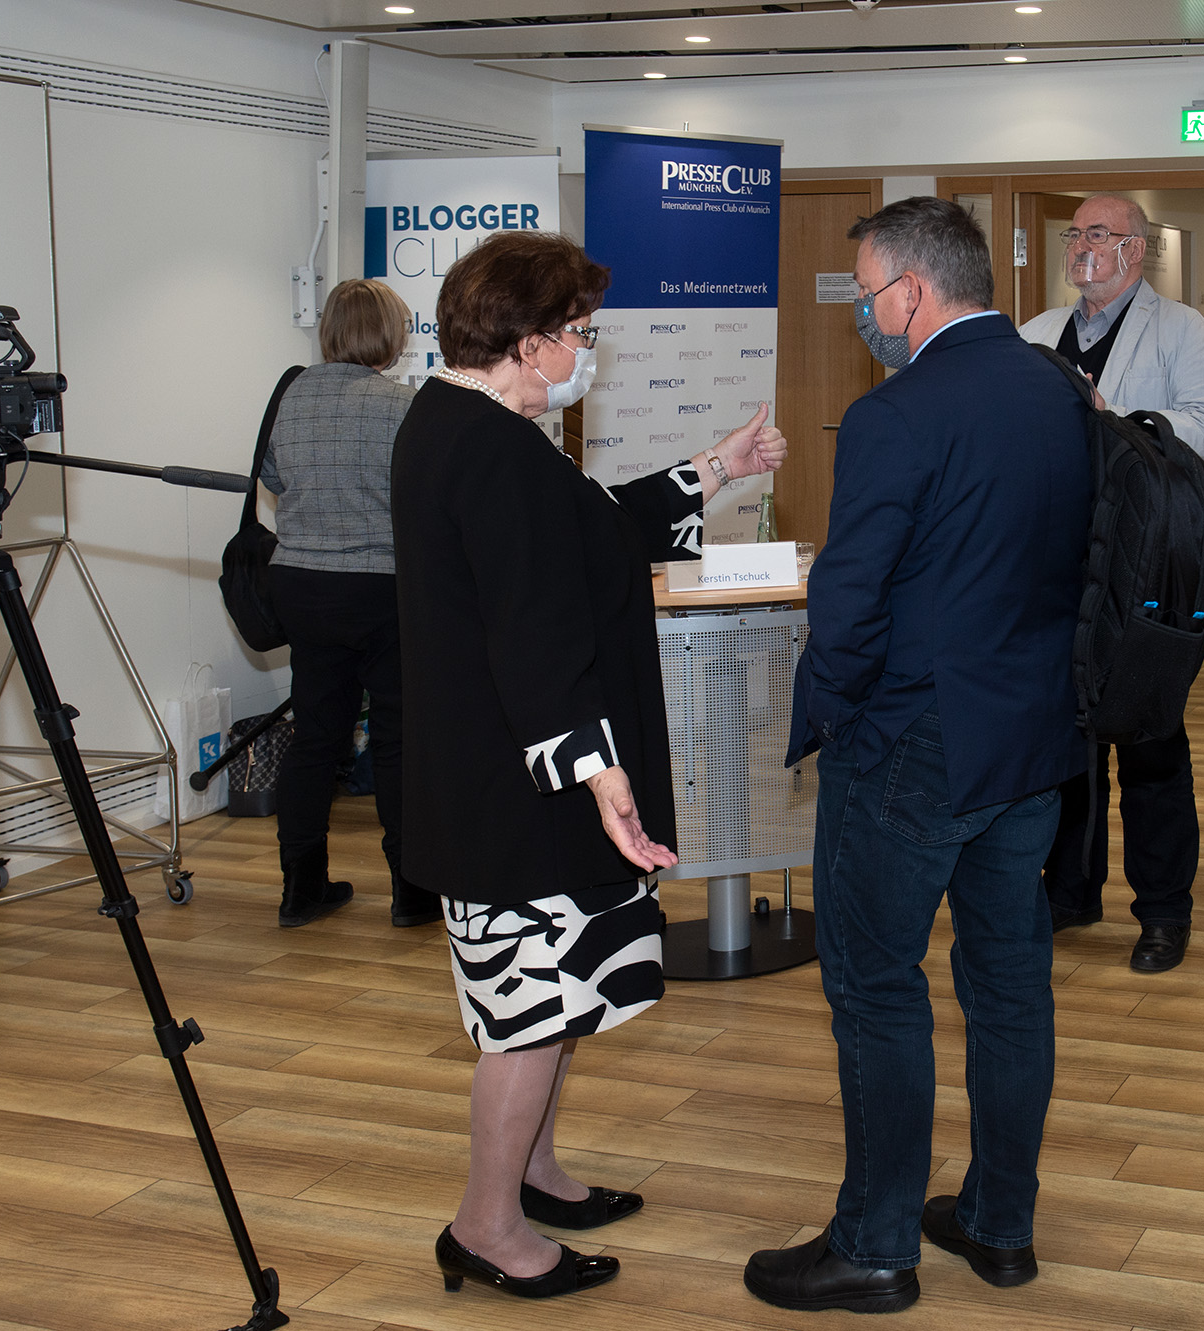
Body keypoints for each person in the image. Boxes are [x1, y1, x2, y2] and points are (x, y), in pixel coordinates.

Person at [391, 230, 786, 1298]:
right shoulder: (491, 448)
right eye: (578, 332)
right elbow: (533, 632)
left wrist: (717, 467)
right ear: (527, 341)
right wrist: (603, 777)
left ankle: (533, 1172)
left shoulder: (464, 423)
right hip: (523, 791)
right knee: (528, 1013)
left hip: (510, 773)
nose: (587, 351)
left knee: (562, 995)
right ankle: (485, 1225)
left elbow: (593, 532)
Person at [743, 196, 1095, 1313]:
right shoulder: (1057, 387)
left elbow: (847, 603)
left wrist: (840, 718)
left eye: (865, 293)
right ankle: (998, 1222)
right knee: (1007, 983)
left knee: (874, 984)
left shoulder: (895, 413)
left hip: (910, 738)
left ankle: (875, 1244)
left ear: (912, 290)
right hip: (1029, 734)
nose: (862, 313)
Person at [1018, 192, 1204, 974]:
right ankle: (1071, 889)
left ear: (1135, 250)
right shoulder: (1036, 332)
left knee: (1149, 740)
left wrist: (1117, 417)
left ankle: (1164, 911)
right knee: (1066, 740)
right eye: (1074, 234)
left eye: (1098, 234)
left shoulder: (1184, 331)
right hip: (1060, 565)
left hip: (1143, 566)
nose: (1081, 246)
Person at [260, 277, 435, 929]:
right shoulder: (405, 405)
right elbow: (426, 494)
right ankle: (412, 892)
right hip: (382, 588)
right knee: (398, 739)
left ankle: (301, 888)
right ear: (390, 335)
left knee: (315, 737)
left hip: (302, 584)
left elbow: (272, 477)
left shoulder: (291, 396)